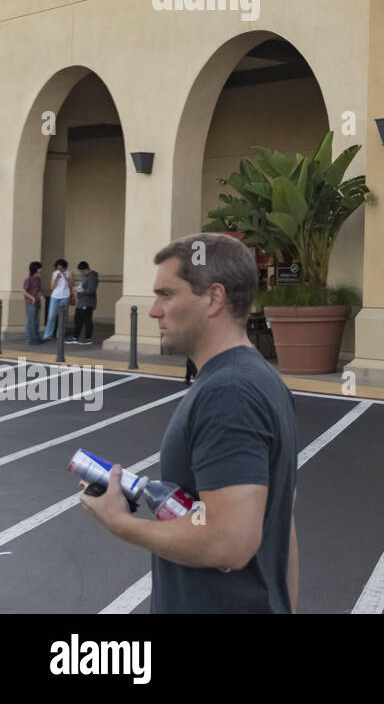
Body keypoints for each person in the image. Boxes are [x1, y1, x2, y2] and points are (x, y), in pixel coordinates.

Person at [78, 232, 299, 614]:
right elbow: (284, 523)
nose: (153, 310)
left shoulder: (229, 392)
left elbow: (231, 543)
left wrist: (119, 523)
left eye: (166, 294)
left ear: (214, 298)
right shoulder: (256, 378)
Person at [42, 259, 72, 342]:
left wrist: (66, 278)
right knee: (51, 316)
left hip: (65, 296)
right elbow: (52, 287)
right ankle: (48, 335)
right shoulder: (54, 274)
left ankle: (60, 334)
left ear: (64, 267)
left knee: (63, 317)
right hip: (55, 296)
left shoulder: (69, 273)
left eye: (61, 268)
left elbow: (71, 285)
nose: (60, 270)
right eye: (58, 268)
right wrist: (56, 279)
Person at [72, 261, 99, 346]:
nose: (82, 273)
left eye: (83, 271)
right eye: (81, 272)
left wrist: (82, 290)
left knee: (87, 320)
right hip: (81, 301)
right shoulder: (83, 276)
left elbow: (91, 291)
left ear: (87, 269)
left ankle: (88, 338)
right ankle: (75, 337)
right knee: (77, 319)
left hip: (88, 302)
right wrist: (77, 288)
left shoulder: (93, 276)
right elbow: (82, 285)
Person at [23, 261, 43, 346]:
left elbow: (38, 290)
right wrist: (32, 298)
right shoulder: (28, 279)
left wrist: (39, 297)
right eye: (40, 268)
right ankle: (31, 339)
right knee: (30, 321)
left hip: (37, 302)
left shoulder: (38, 278)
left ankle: (37, 338)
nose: (41, 269)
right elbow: (24, 291)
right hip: (30, 303)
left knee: (36, 321)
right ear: (36, 269)